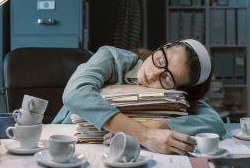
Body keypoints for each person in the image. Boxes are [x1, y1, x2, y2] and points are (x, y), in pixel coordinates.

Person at [53, 39, 226, 155]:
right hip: (69, 143)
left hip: (121, 152)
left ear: (179, 89)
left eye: (166, 78)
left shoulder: (177, 97)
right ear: (162, 48)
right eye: (159, 61)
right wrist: (144, 134)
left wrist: (161, 124)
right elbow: (75, 92)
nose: (153, 74)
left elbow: (215, 123)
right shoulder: (112, 57)